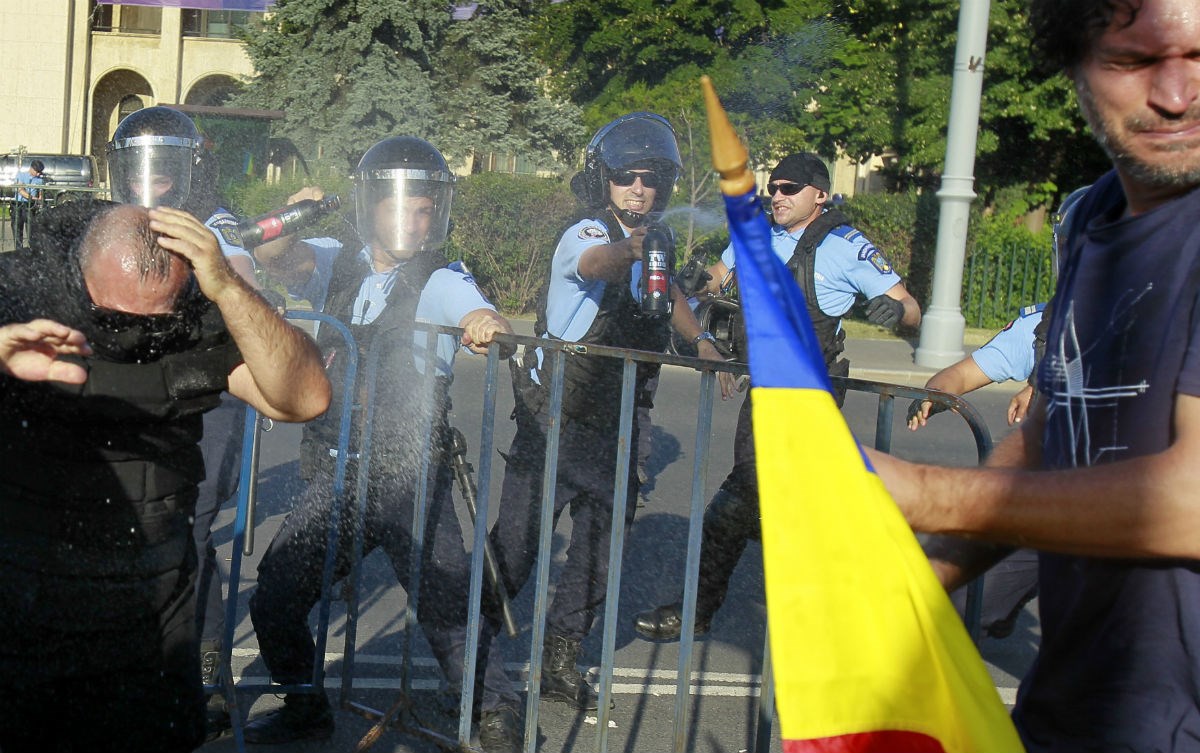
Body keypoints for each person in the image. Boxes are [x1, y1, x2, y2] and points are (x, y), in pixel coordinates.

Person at [868, 1, 1200, 750]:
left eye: (1199, 58)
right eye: (1134, 61)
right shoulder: (1093, 218)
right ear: (1077, 69)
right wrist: (928, 576)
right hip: (1074, 710)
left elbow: (1191, 500)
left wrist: (922, 493)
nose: (1175, 94)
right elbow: (1050, 432)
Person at [0, 199, 330, 753]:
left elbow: (302, 398)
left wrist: (228, 287)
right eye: (114, 314)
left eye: (151, 318)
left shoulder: (203, 306)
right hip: (25, 591)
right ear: (81, 269)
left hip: (152, 601)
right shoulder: (20, 288)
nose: (131, 333)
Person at [244, 135, 525, 753]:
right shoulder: (334, 262)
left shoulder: (443, 279)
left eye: (427, 209)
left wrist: (489, 325)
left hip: (411, 474)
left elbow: (485, 316)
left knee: (449, 604)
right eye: (403, 206)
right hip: (342, 472)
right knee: (276, 594)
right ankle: (304, 702)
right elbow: (275, 256)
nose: (416, 221)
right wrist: (295, 211)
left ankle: (497, 708)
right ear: (372, 206)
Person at [487, 112, 735, 711]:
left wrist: (700, 341)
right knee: (516, 550)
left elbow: (668, 291)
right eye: (627, 177)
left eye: (650, 179)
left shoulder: (656, 244)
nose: (639, 189)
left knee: (599, 552)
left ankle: (562, 656)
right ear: (606, 181)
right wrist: (632, 246)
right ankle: (467, 652)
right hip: (557, 422)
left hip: (624, 423)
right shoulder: (586, 234)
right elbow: (594, 265)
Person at [633, 151, 921, 642]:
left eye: (790, 189)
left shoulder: (844, 246)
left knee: (739, 502)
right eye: (774, 188)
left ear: (820, 195)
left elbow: (910, 307)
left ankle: (702, 610)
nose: (778, 197)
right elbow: (716, 281)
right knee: (775, 506)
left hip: (809, 397)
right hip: (764, 392)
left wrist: (894, 314)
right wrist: (694, 281)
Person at [104, 105, 261, 740]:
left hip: (209, 392)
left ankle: (201, 671)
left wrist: (212, 266)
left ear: (190, 170)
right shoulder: (111, 220)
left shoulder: (212, 221)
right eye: (141, 168)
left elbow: (243, 272)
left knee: (188, 526)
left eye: (166, 169)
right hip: (137, 390)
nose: (153, 182)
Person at [906, 304, 1046, 640]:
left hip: (1124, 508)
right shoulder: (1043, 326)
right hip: (1042, 503)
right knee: (956, 604)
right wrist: (936, 395)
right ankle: (998, 606)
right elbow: (962, 374)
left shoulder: (1159, 315)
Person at [11, 158, 45, 249]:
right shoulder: (21, 175)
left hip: (30, 206)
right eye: (37, 171)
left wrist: (40, 199)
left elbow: (41, 194)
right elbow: (21, 190)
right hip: (18, 204)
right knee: (17, 232)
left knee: (31, 232)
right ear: (31, 168)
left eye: (40, 172)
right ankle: (19, 252)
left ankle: (32, 251)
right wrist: (33, 198)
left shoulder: (39, 180)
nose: (38, 174)